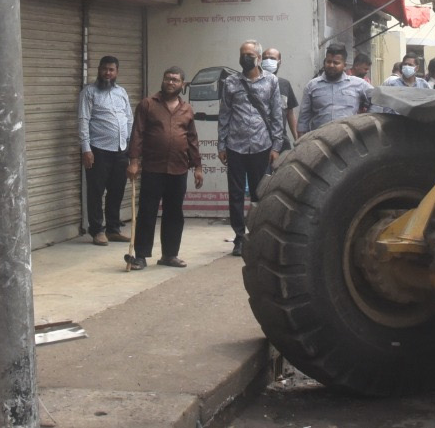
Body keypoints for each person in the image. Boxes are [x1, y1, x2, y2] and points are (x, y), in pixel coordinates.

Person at [125, 66, 203, 270]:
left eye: (175, 80)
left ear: (182, 84)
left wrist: (198, 166)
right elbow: (137, 134)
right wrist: (134, 161)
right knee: (147, 212)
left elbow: (192, 139)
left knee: (174, 213)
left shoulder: (187, 109)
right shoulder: (148, 104)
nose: (170, 82)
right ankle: (141, 256)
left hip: (179, 168)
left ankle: (169, 255)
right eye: (167, 78)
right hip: (153, 168)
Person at [218, 39, 283, 256]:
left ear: (258, 58)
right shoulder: (230, 82)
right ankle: (239, 237)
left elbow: (277, 115)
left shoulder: (271, 81)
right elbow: (224, 115)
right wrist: (221, 145)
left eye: (249, 55)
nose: (245, 58)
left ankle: (257, 234)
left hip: (261, 146)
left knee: (259, 193)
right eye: (242, 54)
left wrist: (276, 146)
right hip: (235, 146)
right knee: (236, 195)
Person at [78, 55, 132, 245]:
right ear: (99, 70)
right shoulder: (89, 92)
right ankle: (96, 230)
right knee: (96, 191)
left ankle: (113, 229)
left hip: (121, 150)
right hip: (98, 150)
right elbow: (83, 120)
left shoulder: (121, 92)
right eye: (104, 69)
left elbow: (129, 119)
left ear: (117, 72)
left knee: (117, 191)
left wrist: (130, 146)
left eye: (111, 70)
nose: (107, 73)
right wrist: (86, 149)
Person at [300, 43, 373, 132]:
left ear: (344, 65)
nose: (331, 65)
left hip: (348, 138)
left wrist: (366, 122)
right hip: (319, 138)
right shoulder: (312, 86)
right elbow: (303, 118)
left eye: (336, 63)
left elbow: (378, 100)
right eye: (328, 62)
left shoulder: (359, 84)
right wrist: (301, 137)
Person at [262, 45, 298, 153]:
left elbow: (290, 113)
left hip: (281, 140)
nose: (268, 61)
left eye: (272, 58)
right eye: (265, 58)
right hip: (259, 141)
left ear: (279, 62)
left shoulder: (284, 84)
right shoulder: (253, 84)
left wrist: (297, 139)